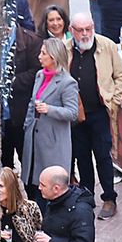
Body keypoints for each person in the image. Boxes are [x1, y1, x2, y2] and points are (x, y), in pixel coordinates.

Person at [67, 13, 122, 220]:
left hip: (100, 112)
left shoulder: (107, 46)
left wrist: (114, 100)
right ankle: (87, 196)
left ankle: (109, 198)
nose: (85, 34)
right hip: (76, 114)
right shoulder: (66, 49)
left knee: (103, 156)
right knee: (82, 156)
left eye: (88, 29)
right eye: (80, 30)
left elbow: (120, 76)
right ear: (71, 30)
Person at [20, 38, 80, 191]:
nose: (39, 56)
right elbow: (32, 102)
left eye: (43, 53)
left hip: (52, 142)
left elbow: (72, 113)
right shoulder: (40, 75)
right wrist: (27, 126)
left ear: (53, 57)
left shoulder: (68, 82)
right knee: (31, 182)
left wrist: (50, 109)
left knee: (48, 186)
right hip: (33, 136)